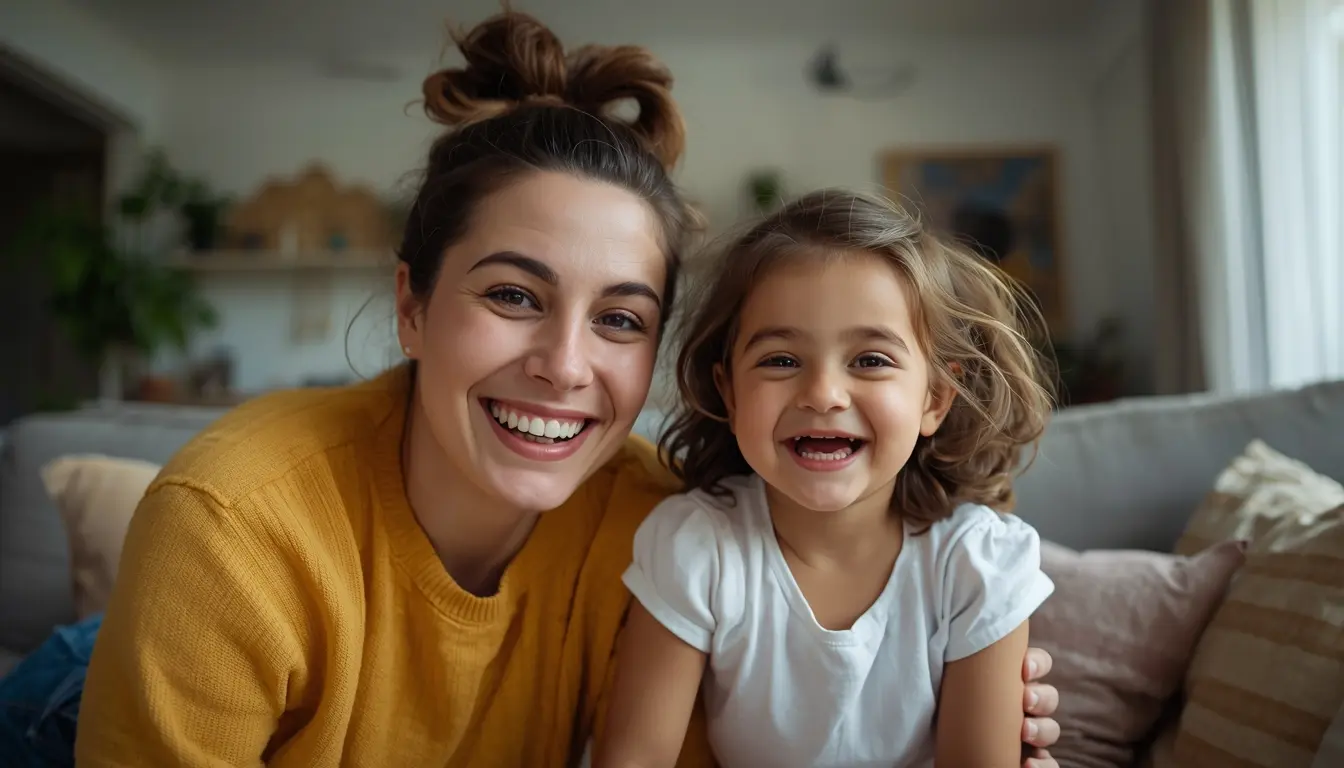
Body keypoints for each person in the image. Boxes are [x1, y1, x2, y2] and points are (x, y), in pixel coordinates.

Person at [74, 11, 1063, 767]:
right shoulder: (230, 526)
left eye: (622, 318)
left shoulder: (647, 520)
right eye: (513, 294)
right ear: (412, 305)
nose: (564, 363)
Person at [597, 191, 1056, 768]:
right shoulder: (696, 546)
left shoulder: (977, 566)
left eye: (870, 360)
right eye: (781, 360)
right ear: (730, 392)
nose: (822, 395)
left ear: (935, 398)